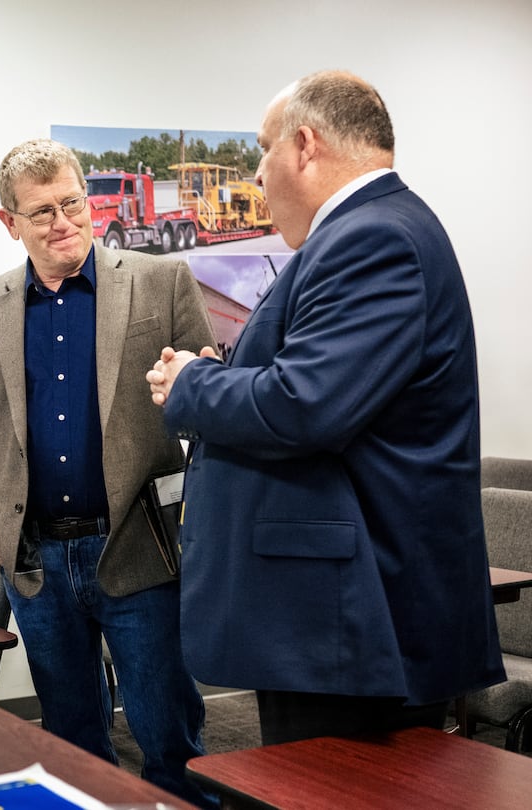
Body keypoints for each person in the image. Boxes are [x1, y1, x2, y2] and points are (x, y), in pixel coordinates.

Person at [146, 70, 505, 745]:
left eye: (261, 149)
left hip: (355, 623)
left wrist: (193, 383)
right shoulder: (370, 232)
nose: (254, 174)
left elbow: (301, 404)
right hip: (337, 620)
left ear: (305, 145)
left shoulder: (375, 240)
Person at [0, 138, 217, 806]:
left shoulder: (160, 282)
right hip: (37, 561)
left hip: (139, 547)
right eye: (42, 213)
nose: (63, 221)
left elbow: (211, 406)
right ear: (10, 223)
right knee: (67, 744)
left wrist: (197, 526)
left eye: (72, 202)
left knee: (168, 736)